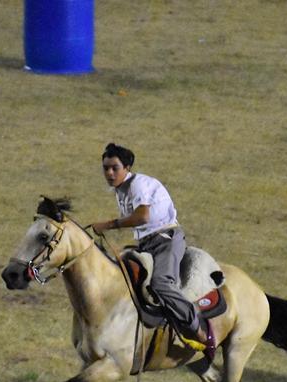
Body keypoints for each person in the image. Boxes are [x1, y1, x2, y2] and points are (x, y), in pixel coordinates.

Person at [90, 143, 215, 358]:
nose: (109, 173)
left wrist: (109, 225)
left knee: (160, 283)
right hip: (147, 244)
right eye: (106, 168)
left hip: (166, 241)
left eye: (115, 168)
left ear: (127, 167)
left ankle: (199, 329)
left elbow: (143, 217)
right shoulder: (120, 190)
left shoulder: (138, 185)